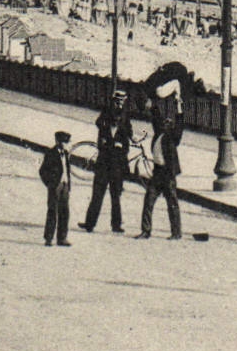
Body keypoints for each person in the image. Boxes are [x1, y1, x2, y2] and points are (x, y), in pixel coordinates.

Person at [81, 90, 132, 233]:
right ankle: (89, 224)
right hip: (103, 164)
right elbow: (100, 134)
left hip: (117, 166)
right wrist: (110, 143)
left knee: (116, 197)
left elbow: (127, 142)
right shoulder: (105, 117)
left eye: (121, 101)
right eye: (117, 101)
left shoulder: (126, 119)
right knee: (97, 194)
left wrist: (120, 146)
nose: (119, 104)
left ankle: (116, 225)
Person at [138, 88, 183, 240]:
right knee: (148, 201)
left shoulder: (172, 138)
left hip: (168, 174)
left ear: (171, 126)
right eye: (165, 122)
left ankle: (176, 233)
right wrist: (151, 105)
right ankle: (146, 230)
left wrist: (179, 107)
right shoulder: (159, 132)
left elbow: (180, 126)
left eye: (168, 123)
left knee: (172, 204)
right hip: (158, 172)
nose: (165, 123)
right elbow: (156, 116)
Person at [38, 130, 76, 246]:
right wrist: (50, 184)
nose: (67, 144)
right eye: (65, 142)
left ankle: (62, 238)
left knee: (65, 212)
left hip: (64, 186)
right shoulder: (51, 153)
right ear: (58, 141)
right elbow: (42, 171)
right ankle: (48, 238)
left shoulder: (65, 153)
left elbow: (67, 170)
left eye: (67, 142)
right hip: (55, 186)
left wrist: (68, 185)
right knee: (52, 212)